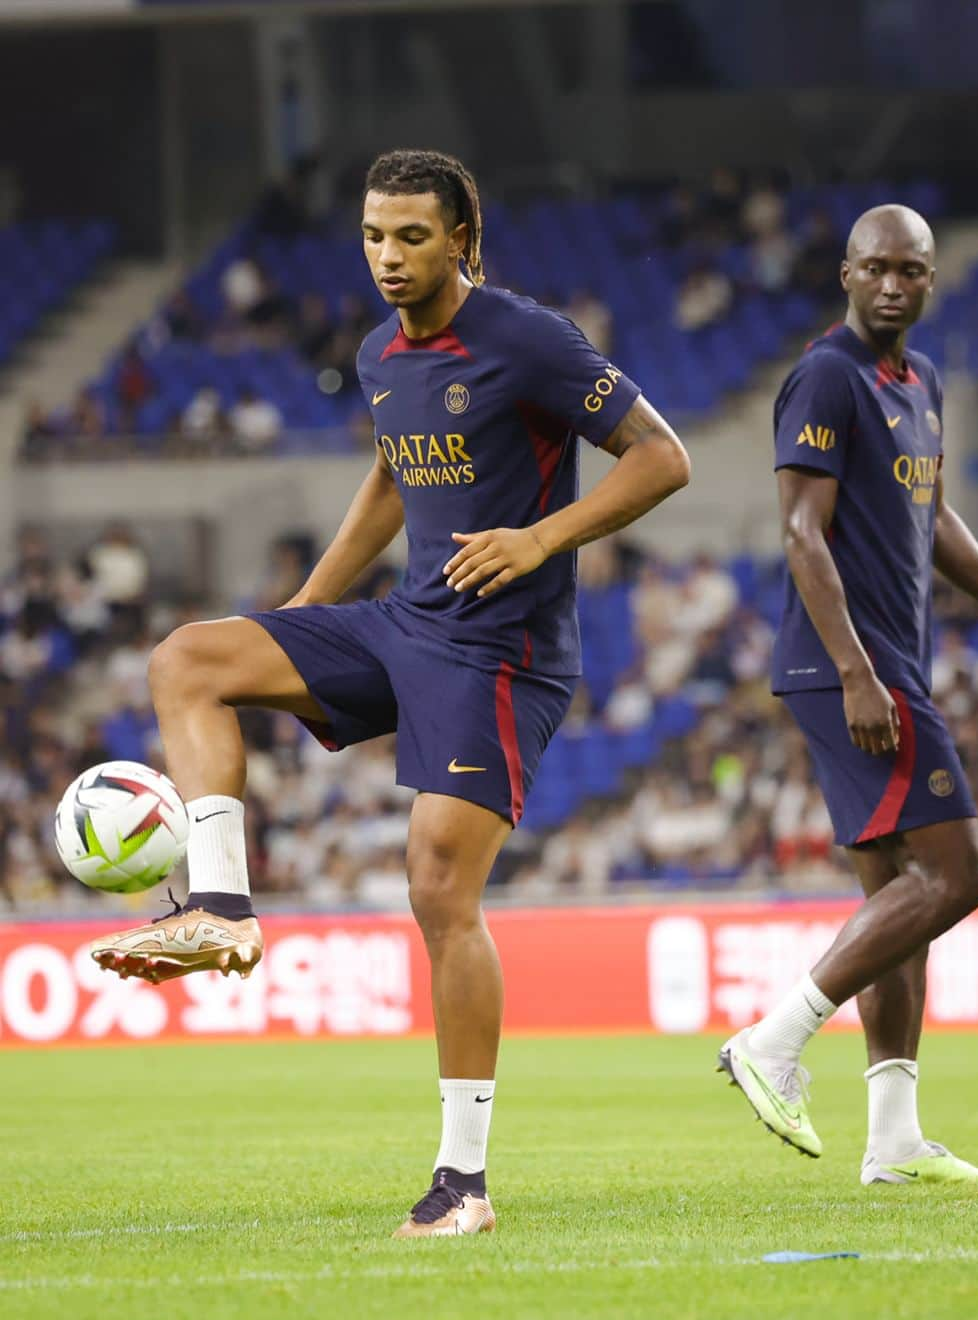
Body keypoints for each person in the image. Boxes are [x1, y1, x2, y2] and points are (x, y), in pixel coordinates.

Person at [89, 149, 690, 1236]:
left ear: (462, 237)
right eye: (373, 235)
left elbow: (662, 458)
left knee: (437, 891)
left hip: (501, 651)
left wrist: (540, 537)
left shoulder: (527, 339)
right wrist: (302, 617)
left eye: (412, 236)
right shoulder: (376, 351)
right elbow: (389, 474)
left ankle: (464, 1182)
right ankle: (221, 910)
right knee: (189, 659)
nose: (388, 256)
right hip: (408, 621)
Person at [720, 204, 978, 1185]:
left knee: (900, 899)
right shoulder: (826, 375)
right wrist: (854, 670)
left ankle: (891, 1138)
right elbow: (801, 531)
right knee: (960, 877)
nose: (892, 284)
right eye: (875, 267)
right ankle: (773, 1040)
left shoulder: (919, 381)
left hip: (886, 662)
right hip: (853, 666)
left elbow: (935, 516)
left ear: (928, 281)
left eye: (910, 271)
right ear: (845, 274)